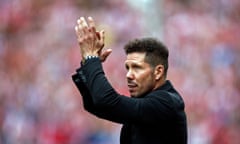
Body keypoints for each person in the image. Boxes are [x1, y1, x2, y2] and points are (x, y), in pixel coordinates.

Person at [72, 16, 187, 144]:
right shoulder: (146, 103)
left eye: (137, 68)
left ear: (158, 72)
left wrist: (91, 59)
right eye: (128, 68)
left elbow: (106, 101)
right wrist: (87, 63)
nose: (128, 75)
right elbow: (95, 105)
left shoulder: (166, 102)